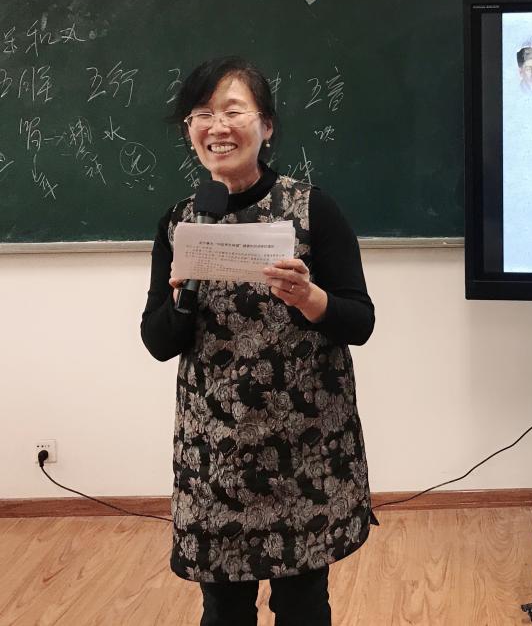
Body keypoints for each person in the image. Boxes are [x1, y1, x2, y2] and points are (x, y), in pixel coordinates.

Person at [140, 56, 375, 626]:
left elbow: (360, 321)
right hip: (215, 455)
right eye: (201, 115)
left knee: (302, 606)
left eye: (232, 111)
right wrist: (183, 297)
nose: (216, 127)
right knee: (223, 609)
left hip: (305, 450)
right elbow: (158, 341)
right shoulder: (181, 222)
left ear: (266, 126)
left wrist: (309, 298)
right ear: (190, 132)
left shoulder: (313, 209)